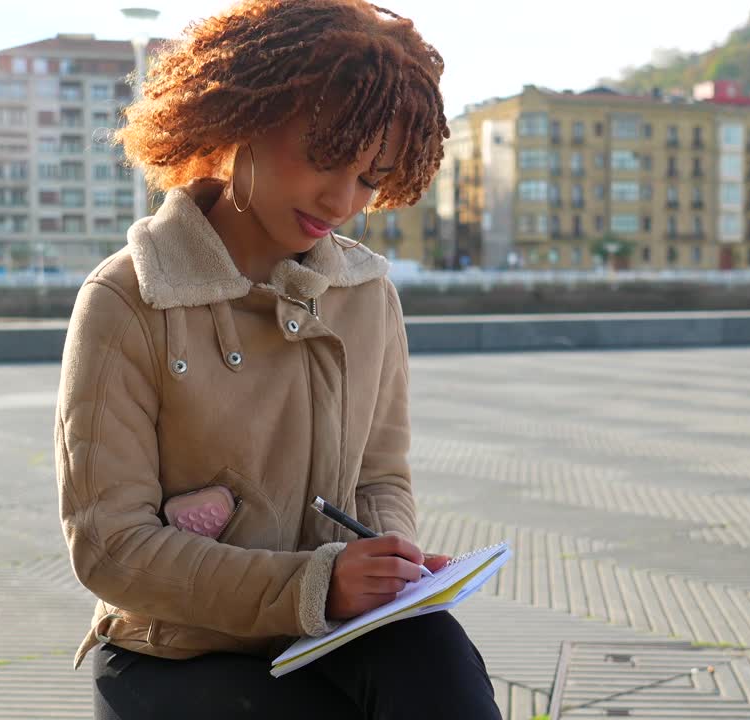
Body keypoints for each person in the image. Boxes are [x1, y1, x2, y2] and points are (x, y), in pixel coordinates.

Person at [53, 1, 502, 717]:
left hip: (334, 631)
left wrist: (391, 560)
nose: (342, 199)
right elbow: (110, 547)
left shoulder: (366, 293)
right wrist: (314, 586)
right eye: (324, 157)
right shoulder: (128, 299)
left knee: (439, 658)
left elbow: (381, 474)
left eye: (371, 178)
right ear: (242, 116)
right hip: (173, 648)